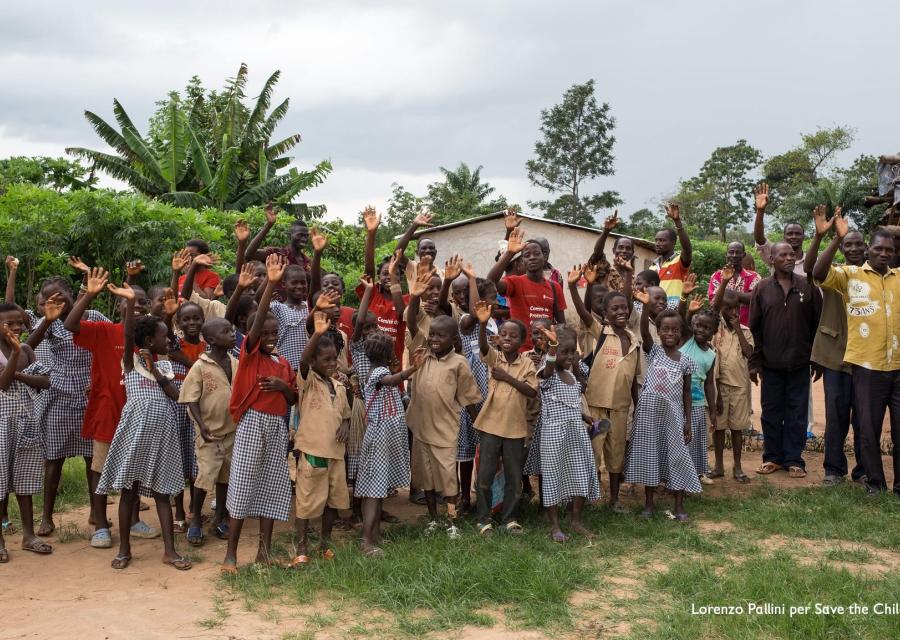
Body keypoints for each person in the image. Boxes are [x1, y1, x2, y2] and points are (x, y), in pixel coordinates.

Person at [96, 282, 191, 571]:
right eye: (164, 337)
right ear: (149, 341)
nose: (168, 341)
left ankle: (170, 551)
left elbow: (177, 396)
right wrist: (127, 307)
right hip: (135, 432)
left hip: (163, 431)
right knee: (129, 491)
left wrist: (157, 374)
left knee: (162, 493)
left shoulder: (163, 366)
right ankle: (125, 550)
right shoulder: (130, 362)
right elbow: (128, 337)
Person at [63, 268, 158, 548]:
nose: (135, 305)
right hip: (108, 409)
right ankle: (101, 524)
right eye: (128, 301)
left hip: (139, 412)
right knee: (99, 467)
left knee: (135, 467)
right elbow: (70, 325)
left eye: (140, 302)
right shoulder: (104, 331)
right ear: (117, 304)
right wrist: (88, 294)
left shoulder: (152, 338)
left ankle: (131, 519)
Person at [223, 255, 298, 572]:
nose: (269, 337)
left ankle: (264, 552)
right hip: (253, 423)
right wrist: (269, 282)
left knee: (273, 486)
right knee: (241, 485)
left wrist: (283, 386)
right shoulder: (250, 353)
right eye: (264, 333)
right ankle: (230, 555)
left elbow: (294, 397)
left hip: (277, 427)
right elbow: (257, 323)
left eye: (273, 333)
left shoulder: (283, 363)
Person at [814, 223, 900, 495]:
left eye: (889, 250)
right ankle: (871, 481)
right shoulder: (850, 275)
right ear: (869, 250)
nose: (884, 254)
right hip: (862, 364)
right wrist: (831, 237)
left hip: (896, 365)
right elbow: (817, 273)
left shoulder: (899, 277)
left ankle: (894, 484)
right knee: (862, 425)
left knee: (888, 428)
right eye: (878, 249)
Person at [24, 271, 107, 539]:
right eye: (50, 299)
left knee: (91, 457)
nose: (57, 302)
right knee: (54, 458)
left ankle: (96, 512)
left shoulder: (92, 317)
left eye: (61, 297)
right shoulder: (49, 322)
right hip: (59, 392)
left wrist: (102, 378)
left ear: (73, 295)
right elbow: (27, 349)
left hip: (88, 392)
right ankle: (47, 516)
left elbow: (114, 342)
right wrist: (46, 321)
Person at [351, 276, 416, 557]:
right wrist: (412, 369)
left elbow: (395, 392)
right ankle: (366, 541)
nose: (366, 331)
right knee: (374, 491)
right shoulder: (376, 371)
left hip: (385, 436)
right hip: (378, 437)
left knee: (376, 489)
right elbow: (390, 380)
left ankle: (374, 536)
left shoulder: (380, 368)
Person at [568, 263, 640, 513]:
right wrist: (574, 287)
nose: (621, 311)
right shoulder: (600, 331)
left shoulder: (634, 340)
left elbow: (632, 379)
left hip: (620, 409)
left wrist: (636, 404)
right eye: (614, 308)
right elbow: (583, 311)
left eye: (624, 307)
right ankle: (587, 495)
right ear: (605, 313)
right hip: (596, 407)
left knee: (616, 455)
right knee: (592, 452)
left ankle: (614, 500)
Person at [750, 241, 822, 479]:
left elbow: (816, 324)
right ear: (772, 259)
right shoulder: (761, 288)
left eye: (792, 254)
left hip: (799, 364)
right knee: (770, 412)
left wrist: (816, 358)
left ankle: (794, 459)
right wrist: (755, 362)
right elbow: (755, 327)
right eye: (783, 254)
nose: (790, 258)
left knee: (797, 413)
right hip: (771, 365)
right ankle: (772, 458)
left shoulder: (807, 287)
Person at [625, 295, 700, 521]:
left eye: (675, 330)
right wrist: (646, 305)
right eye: (665, 330)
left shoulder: (685, 360)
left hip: (674, 415)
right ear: (659, 332)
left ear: (681, 333)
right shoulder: (654, 351)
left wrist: (687, 420)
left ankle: (678, 505)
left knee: (677, 456)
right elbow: (644, 331)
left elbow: (687, 392)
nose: (670, 334)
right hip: (649, 414)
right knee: (650, 456)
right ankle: (648, 504)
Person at [806, 206, 866, 486]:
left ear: (866, 248)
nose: (852, 248)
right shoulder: (837, 274)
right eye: (848, 244)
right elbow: (814, 270)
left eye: (857, 244)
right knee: (836, 414)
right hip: (835, 356)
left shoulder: (872, 275)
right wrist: (833, 238)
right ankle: (833, 469)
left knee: (866, 417)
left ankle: (864, 468)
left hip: (867, 358)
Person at [406, 315, 482, 537]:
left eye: (441, 335)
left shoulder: (459, 363)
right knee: (426, 478)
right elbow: (411, 324)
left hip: (445, 430)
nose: (435, 339)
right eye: (432, 334)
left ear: (454, 338)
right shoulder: (422, 356)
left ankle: (452, 522)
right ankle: (433, 519)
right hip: (421, 428)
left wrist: (478, 424)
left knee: (449, 478)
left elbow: (468, 396)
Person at [289, 311, 352, 567]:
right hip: (313, 451)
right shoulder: (308, 381)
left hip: (336, 454)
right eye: (325, 360)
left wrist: (346, 426)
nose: (332, 364)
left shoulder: (338, 386)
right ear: (314, 362)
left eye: (334, 359)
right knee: (306, 501)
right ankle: (302, 546)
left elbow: (345, 415)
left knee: (332, 501)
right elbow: (303, 360)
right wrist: (316, 333)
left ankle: (325, 543)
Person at [471, 301, 538, 535]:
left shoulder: (527, 363)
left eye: (513, 335)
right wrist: (482, 324)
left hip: (515, 429)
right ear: (498, 338)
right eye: (503, 334)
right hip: (490, 426)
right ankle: (483, 519)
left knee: (514, 478)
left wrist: (507, 378)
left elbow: (531, 391)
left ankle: (510, 519)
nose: (507, 338)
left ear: (522, 341)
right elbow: (483, 347)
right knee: (485, 477)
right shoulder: (495, 359)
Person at [534, 324, 598, 541]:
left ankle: (576, 520)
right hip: (554, 435)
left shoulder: (571, 373)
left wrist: (584, 416)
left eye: (573, 351)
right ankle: (554, 526)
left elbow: (572, 399)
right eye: (565, 352)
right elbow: (548, 369)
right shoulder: (548, 372)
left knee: (580, 474)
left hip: (575, 432)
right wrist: (552, 348)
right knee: (553, 477)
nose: (570, 356)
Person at [0, 302, 52, 562]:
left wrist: (17, 370)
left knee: (25, 478)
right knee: (0, 482)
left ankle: (29, 535)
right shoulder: (19, 350)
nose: (17, 327)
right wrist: (15, 356)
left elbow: (45, 381)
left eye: (20, 322)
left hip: (26, 421)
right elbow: (2, 383)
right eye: (10, 324)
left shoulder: (28, 349)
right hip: (2, 423)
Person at [179, 318, 238, 546]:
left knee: (225, 476)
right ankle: (195, 521)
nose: (232, 333)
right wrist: (201, 425)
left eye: (232, 329)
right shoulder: (200, 366)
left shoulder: (234, 362)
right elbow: (191, 399)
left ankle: (220, 518)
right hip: (209, 432)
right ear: (211, 340)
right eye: (226, 331)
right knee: (205, 476)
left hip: (231, 431)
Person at [487, 225, 566, 351]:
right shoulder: (514, 283)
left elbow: (562, 324)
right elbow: (490, 281)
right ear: (522, 260)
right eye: (527, 255)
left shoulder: (554, 287)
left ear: (544, 257)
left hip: (546, 353)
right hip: (519, 353)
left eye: (536, 253)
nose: (532, 257)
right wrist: (510, 253)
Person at [168, 301, 205, 531]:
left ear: (203, 320)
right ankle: (179, 511)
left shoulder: (208, 345)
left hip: (200, 410)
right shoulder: (174, 345)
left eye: (196, 318)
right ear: (178, 323)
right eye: (186, 319)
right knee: (178, 458)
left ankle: (195, 510)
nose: (192, 323)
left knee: (196, 460)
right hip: (177, 407)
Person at [710, 290, 754, 483]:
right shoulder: (715, 330)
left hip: (739, 388)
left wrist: (737, 328)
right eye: (727, 308)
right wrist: (716, 393)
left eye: (736, 308)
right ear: (721, 310)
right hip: (719, 388)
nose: (732, 312)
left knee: (737, 429)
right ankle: (719, 466)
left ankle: (738, 466)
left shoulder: (745, 330)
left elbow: (749, 352)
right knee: (719, 428)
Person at [358, 207, 409, 364]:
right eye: (385, 273)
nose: (389, 276)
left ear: (400, 278)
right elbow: (369, 269)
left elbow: (401, 313)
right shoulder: (372, 294)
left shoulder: (407, 299)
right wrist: (371, 234)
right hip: (369, 360)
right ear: (378, 277)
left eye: (395, 274)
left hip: (395, 362)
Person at [679, 307, 719, 484]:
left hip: (697, 403)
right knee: (680, 439)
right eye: (698, 325)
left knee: (696, 440)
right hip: (678, 401)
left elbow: (709, 384)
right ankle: (678, 474)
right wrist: (687, 306)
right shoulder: (688, 340)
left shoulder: (711, 355)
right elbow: (682, 321)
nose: (701, 330)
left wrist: (712, 409)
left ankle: (697, 471)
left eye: (706, 328)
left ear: (714, 332)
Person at [244, 202, 312, 273]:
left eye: (306, 236)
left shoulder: (308, 262)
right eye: (300, 235)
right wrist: (269, 225)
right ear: (289, 236)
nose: (304, 239)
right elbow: (249, 255)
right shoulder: (277, 254)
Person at [706, 242, 760, 326]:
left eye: (738, 252)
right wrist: (743, 297)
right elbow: (714, 304)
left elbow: (755, 299)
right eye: (731, 252)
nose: (734, 255)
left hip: (746, 328)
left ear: (744, 255)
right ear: (726, 254)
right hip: (720, 328)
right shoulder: (716, 276)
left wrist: (727, 294)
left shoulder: (754, 277)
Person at [269, 263, 310, 372]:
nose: (300, 286)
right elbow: (259, 309)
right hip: (287, 369)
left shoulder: (310, 307)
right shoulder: (277, 307)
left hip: (310, 370)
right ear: (284, 284)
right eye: (294, 282)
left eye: (303, 282)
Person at [651, 203, 693, 307]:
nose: (657, 244)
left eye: (662, 240)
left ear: (673, 242)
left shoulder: (679, 261)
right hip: (655, 312)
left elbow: (687, 249)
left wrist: (677, 221)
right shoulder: (652, 267)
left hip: (674, 313)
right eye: (656, 240)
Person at [589, 210, 637, 293]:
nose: (624, 251)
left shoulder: (635, 279)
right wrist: (606, 231)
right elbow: (597, 254)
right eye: (620, 247)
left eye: (628, 248)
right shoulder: (605, 270)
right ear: (614, 251)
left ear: (632, 253)